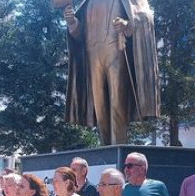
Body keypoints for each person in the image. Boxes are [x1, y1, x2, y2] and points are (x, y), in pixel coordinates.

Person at [63, 0, 160, 145]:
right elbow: (79, 34)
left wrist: (128, 24)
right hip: (93, 54)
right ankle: (105, 148)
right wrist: (72, 23)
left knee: (117, 104)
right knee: (100, 108)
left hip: (116, 50)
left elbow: (146, 16)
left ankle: (118, 147)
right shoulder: (88, 3)